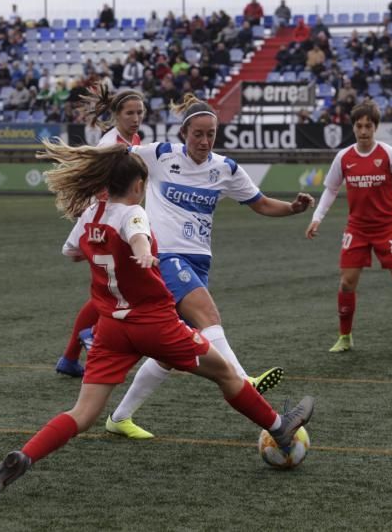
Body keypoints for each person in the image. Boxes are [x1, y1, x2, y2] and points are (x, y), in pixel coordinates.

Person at [0, 142, 315, 501]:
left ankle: (25, 455)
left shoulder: (91, 214)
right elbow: (137, 234)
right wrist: (143, 253)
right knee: (227, 374)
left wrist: (107, 251)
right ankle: (280, 429)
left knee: (84, 412)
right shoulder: (132, 212)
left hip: (111, 329)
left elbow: (72, 252)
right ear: (137, 185)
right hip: (155, 324)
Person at [102, 95, 315, 439]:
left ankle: (119, 418)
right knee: (209, 315)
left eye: (210, 135)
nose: (203, 142)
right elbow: (113, 159)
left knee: (169, 354)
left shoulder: (225, 169)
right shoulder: (159, 155)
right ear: (184, 132)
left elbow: (259, 203)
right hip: (165, 257)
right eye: (197, 134)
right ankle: (245, 379)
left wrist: (293, 208)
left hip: (199, 262)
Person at [305, 101, 392, 354]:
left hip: (388, 228)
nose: (364, 131)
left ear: (376, 127)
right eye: (359, 126)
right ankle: (345, 337)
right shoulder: (344, 157)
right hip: (357, 230)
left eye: (368, 126)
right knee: (346, 283)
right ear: (353, 127)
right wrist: (317, 217)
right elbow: (331, 189)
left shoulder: (389, 154)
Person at [54, 87, 147, 378]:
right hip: (107, 221)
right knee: (115, 288)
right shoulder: (111, 144)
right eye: (129, 113)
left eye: (139, 112)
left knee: (108, 287)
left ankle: (70, 358)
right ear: (117, 115)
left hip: (113, 219)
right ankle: (88, 333)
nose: (135, 118)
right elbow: (102, 189)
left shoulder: (131, 140)